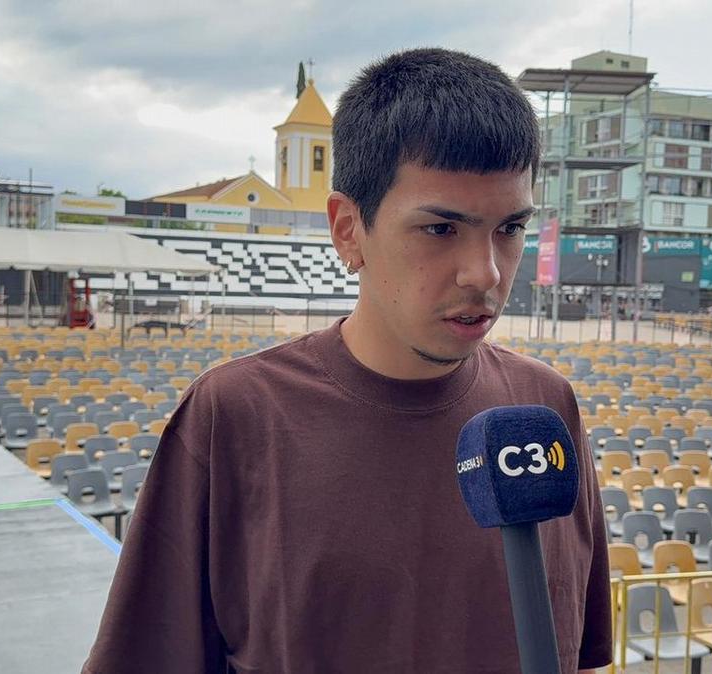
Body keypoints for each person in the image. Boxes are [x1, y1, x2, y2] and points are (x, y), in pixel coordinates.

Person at [83, 48, 611, 674]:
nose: (486, 273)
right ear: (347, 229)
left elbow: (580, 654)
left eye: (510, 228)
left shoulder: (545, 405)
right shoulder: (235, 416)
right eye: (442, 229)